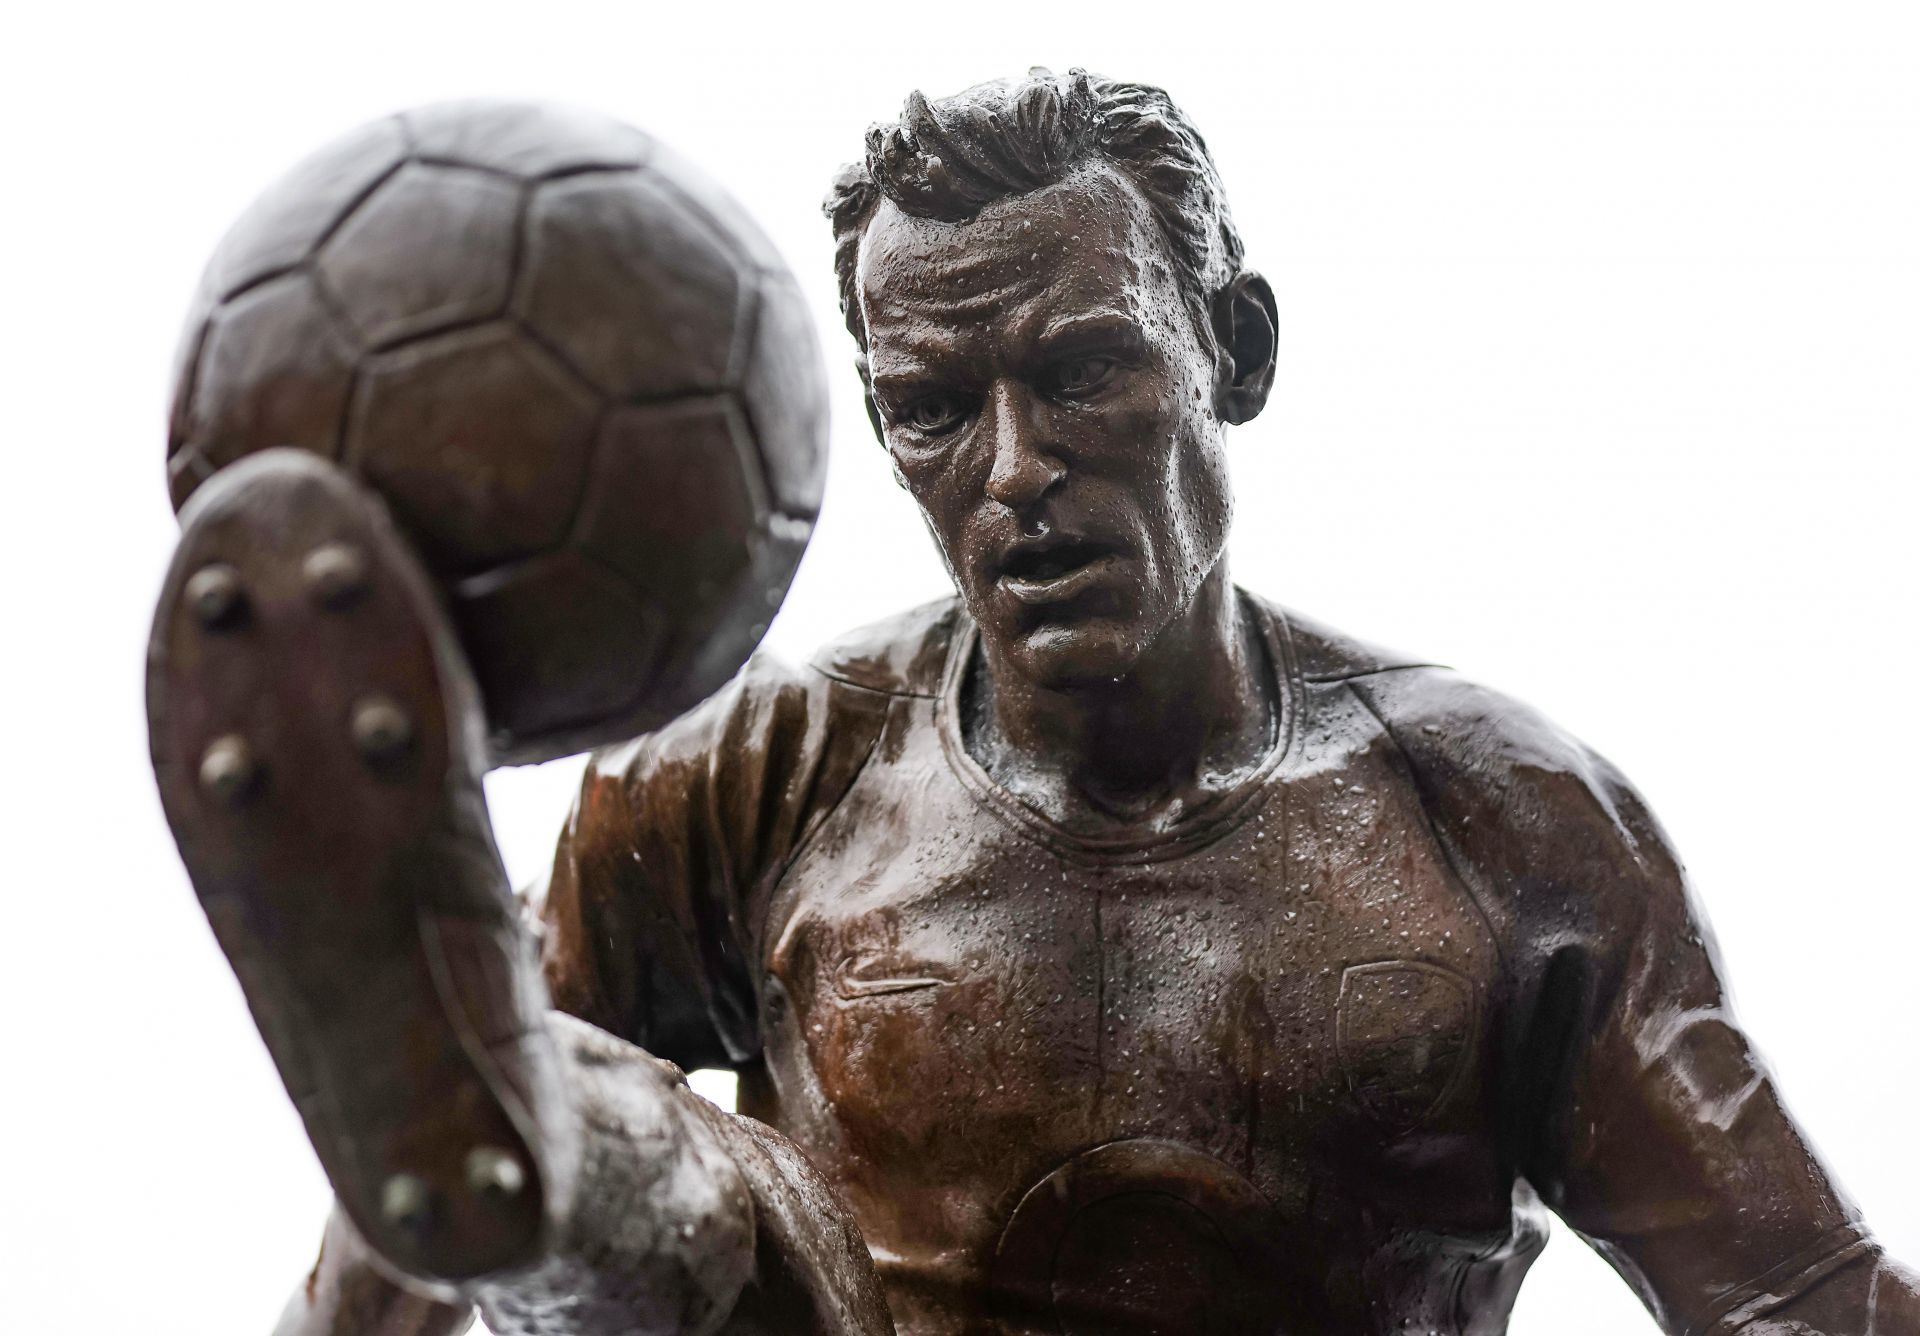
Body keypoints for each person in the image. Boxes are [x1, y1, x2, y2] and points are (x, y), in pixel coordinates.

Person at [254, 69, 1917, 1334]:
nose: (1015, 474)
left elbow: (1797, 1297)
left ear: (1235, 356)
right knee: (562, 1108)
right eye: (931, 409)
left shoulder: (1501, 824)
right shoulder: (755, 772)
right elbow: (411, 1168)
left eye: (1081, 373)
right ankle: (591, 1144)